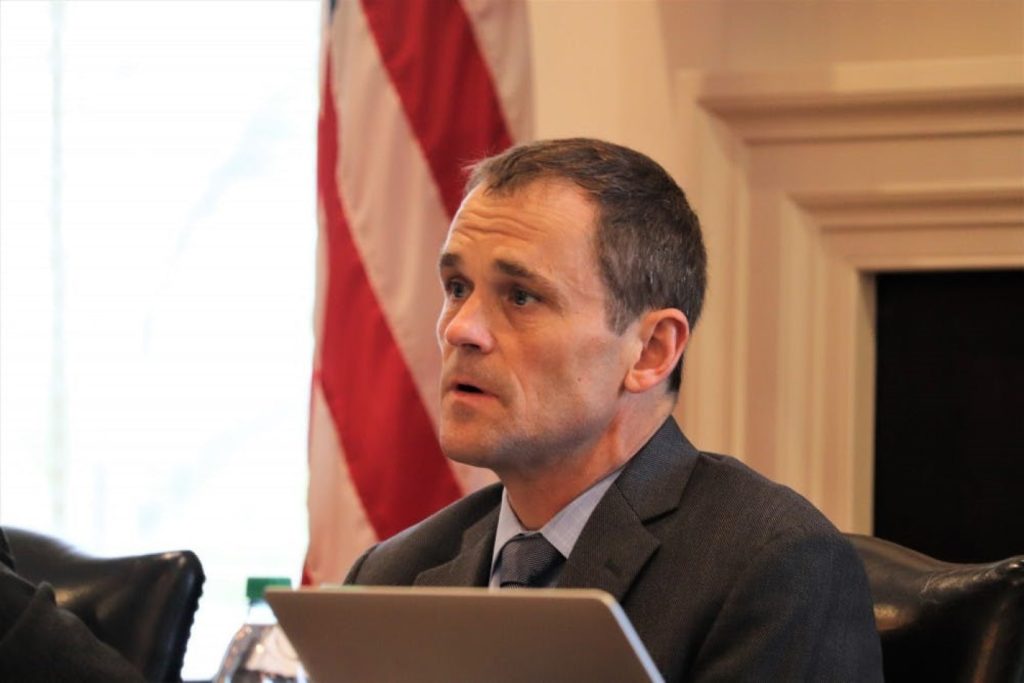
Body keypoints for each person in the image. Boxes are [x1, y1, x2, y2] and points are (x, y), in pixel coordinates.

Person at [345, 138, 883, 680]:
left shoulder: (774, 567)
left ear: (651, 351)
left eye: (520, 297)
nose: (460, 328)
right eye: (457, 287)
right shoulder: (392, 574)